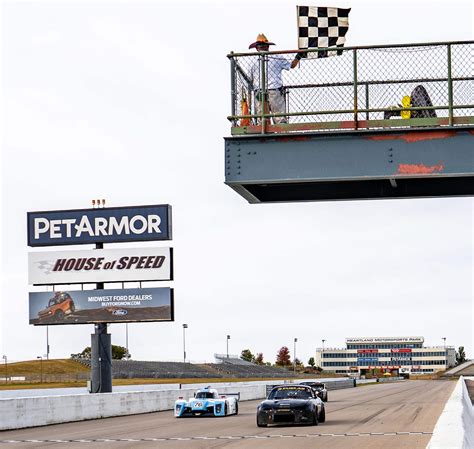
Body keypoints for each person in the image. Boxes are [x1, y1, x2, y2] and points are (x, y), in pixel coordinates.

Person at [248, 34, 300, 124]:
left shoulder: (252, 61)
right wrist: (298, 56)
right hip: (274, 91)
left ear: (256, 48)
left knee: (263, 121)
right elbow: (292, 65)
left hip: (259, 92)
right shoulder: (277, 57)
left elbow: (250, 80)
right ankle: (281, 134)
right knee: (280, 119)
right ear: (268, 47)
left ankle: (264, 135)